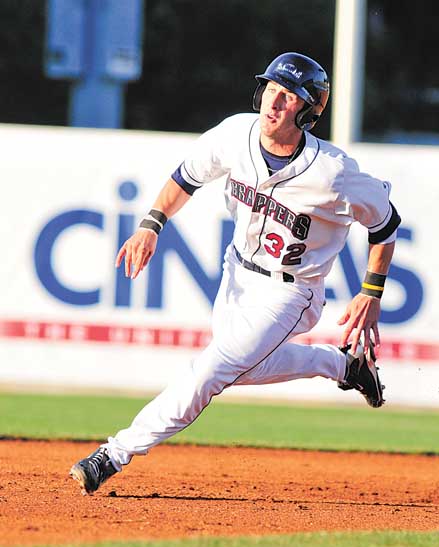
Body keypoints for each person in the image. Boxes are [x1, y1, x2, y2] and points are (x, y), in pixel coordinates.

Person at [69, 52, 401, 495]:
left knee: (210, 371)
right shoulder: (234, 134)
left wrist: (371, 291)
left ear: (308, 111)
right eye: (270, 90)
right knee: (236, 371)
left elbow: (385, 225)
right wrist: (151, 223)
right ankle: (343, 365)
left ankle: (113, 454)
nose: (274, 102)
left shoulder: (333, 174)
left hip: (292, 291)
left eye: (287, 96)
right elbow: (184, 178)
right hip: (236, 273)